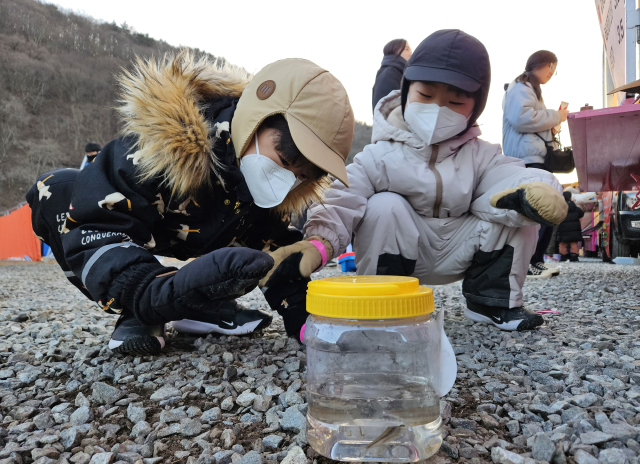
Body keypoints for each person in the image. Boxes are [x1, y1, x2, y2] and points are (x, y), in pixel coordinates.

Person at [26, 51, 354, 354]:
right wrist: (143, 292)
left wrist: (307, 322)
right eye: (283, 159)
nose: (287, 179)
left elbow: (277, 255)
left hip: (209, 233)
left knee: (253, 256)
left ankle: (203, 306)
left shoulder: (267, 192)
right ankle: (140, 311)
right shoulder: (160, 148)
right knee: (55, 190)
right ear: (257, 116)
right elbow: (98, 221)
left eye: (301, 176)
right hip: (143, 228)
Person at [269, 30, 569, 336]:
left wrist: (541, 189)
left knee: (517, 207)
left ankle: (491, 301)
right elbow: (343, 195)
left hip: (460, 248)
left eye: (455, 101)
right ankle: (380, 301)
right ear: (406, 92)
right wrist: (319, 242)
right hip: (403, 252)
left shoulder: (482, 155)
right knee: (383, 205)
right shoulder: (380, 155)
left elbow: (513, 175)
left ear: (474, 108)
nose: (438, 110)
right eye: (425, 96)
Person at [502, 50, 568, 279]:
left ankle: (534, 260)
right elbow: (522, 118)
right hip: (527, 159)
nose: (552, 72)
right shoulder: (520, 88)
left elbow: (528, 120)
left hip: (531, 157)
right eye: (551, 67)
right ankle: (530, 261)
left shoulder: (526, 88)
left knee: (542, 210)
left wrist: (552, 125)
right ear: (539, 64)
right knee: (542, 209)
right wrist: (556, 116)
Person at [372, 38, 412, 111]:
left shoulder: (396, 72)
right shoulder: (390, 72)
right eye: (407, 49)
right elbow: (389, 108)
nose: (411, 54)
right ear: (395, 50)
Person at [556, 191, 584, 262]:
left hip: (563, 228)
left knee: (563, 243)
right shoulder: (575, 207)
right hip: (574, 228)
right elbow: (581, 214)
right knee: (573, 242)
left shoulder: (560, 207)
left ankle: (563, 256)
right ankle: (574, 256)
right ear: (571, 197)